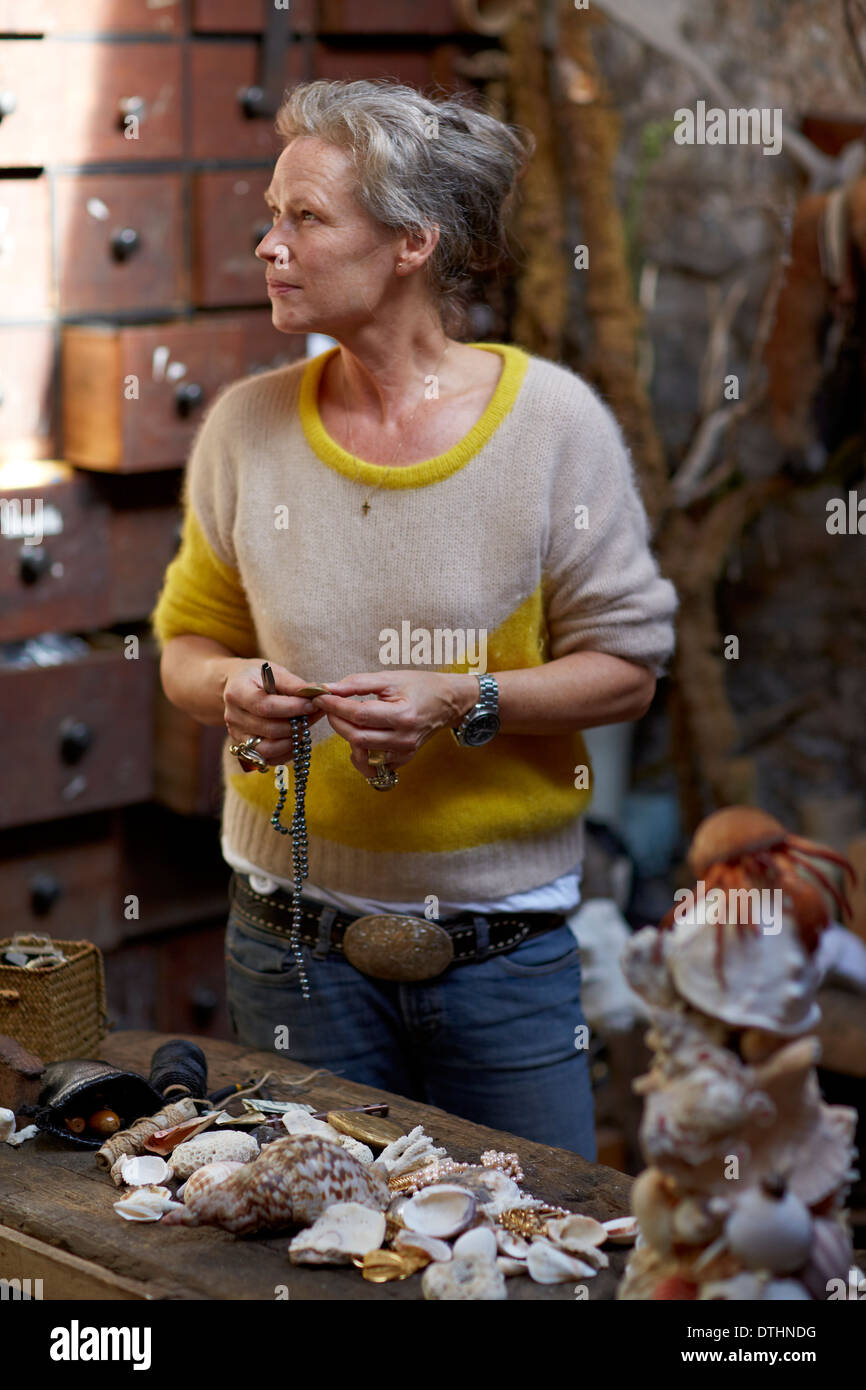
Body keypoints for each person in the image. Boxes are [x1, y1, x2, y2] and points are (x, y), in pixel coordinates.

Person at [152, 79, 678, 1158]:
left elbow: (626, 668)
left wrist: (463, 700)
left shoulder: (550, 427)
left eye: (305, 218)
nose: (268, 244)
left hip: (503, 959)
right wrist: (230, 690)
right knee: (309, 1248)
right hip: (288, 947)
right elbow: (187, 645)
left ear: (409, 242)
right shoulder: (245, 429)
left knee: (537, 1252)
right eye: (270, 214)